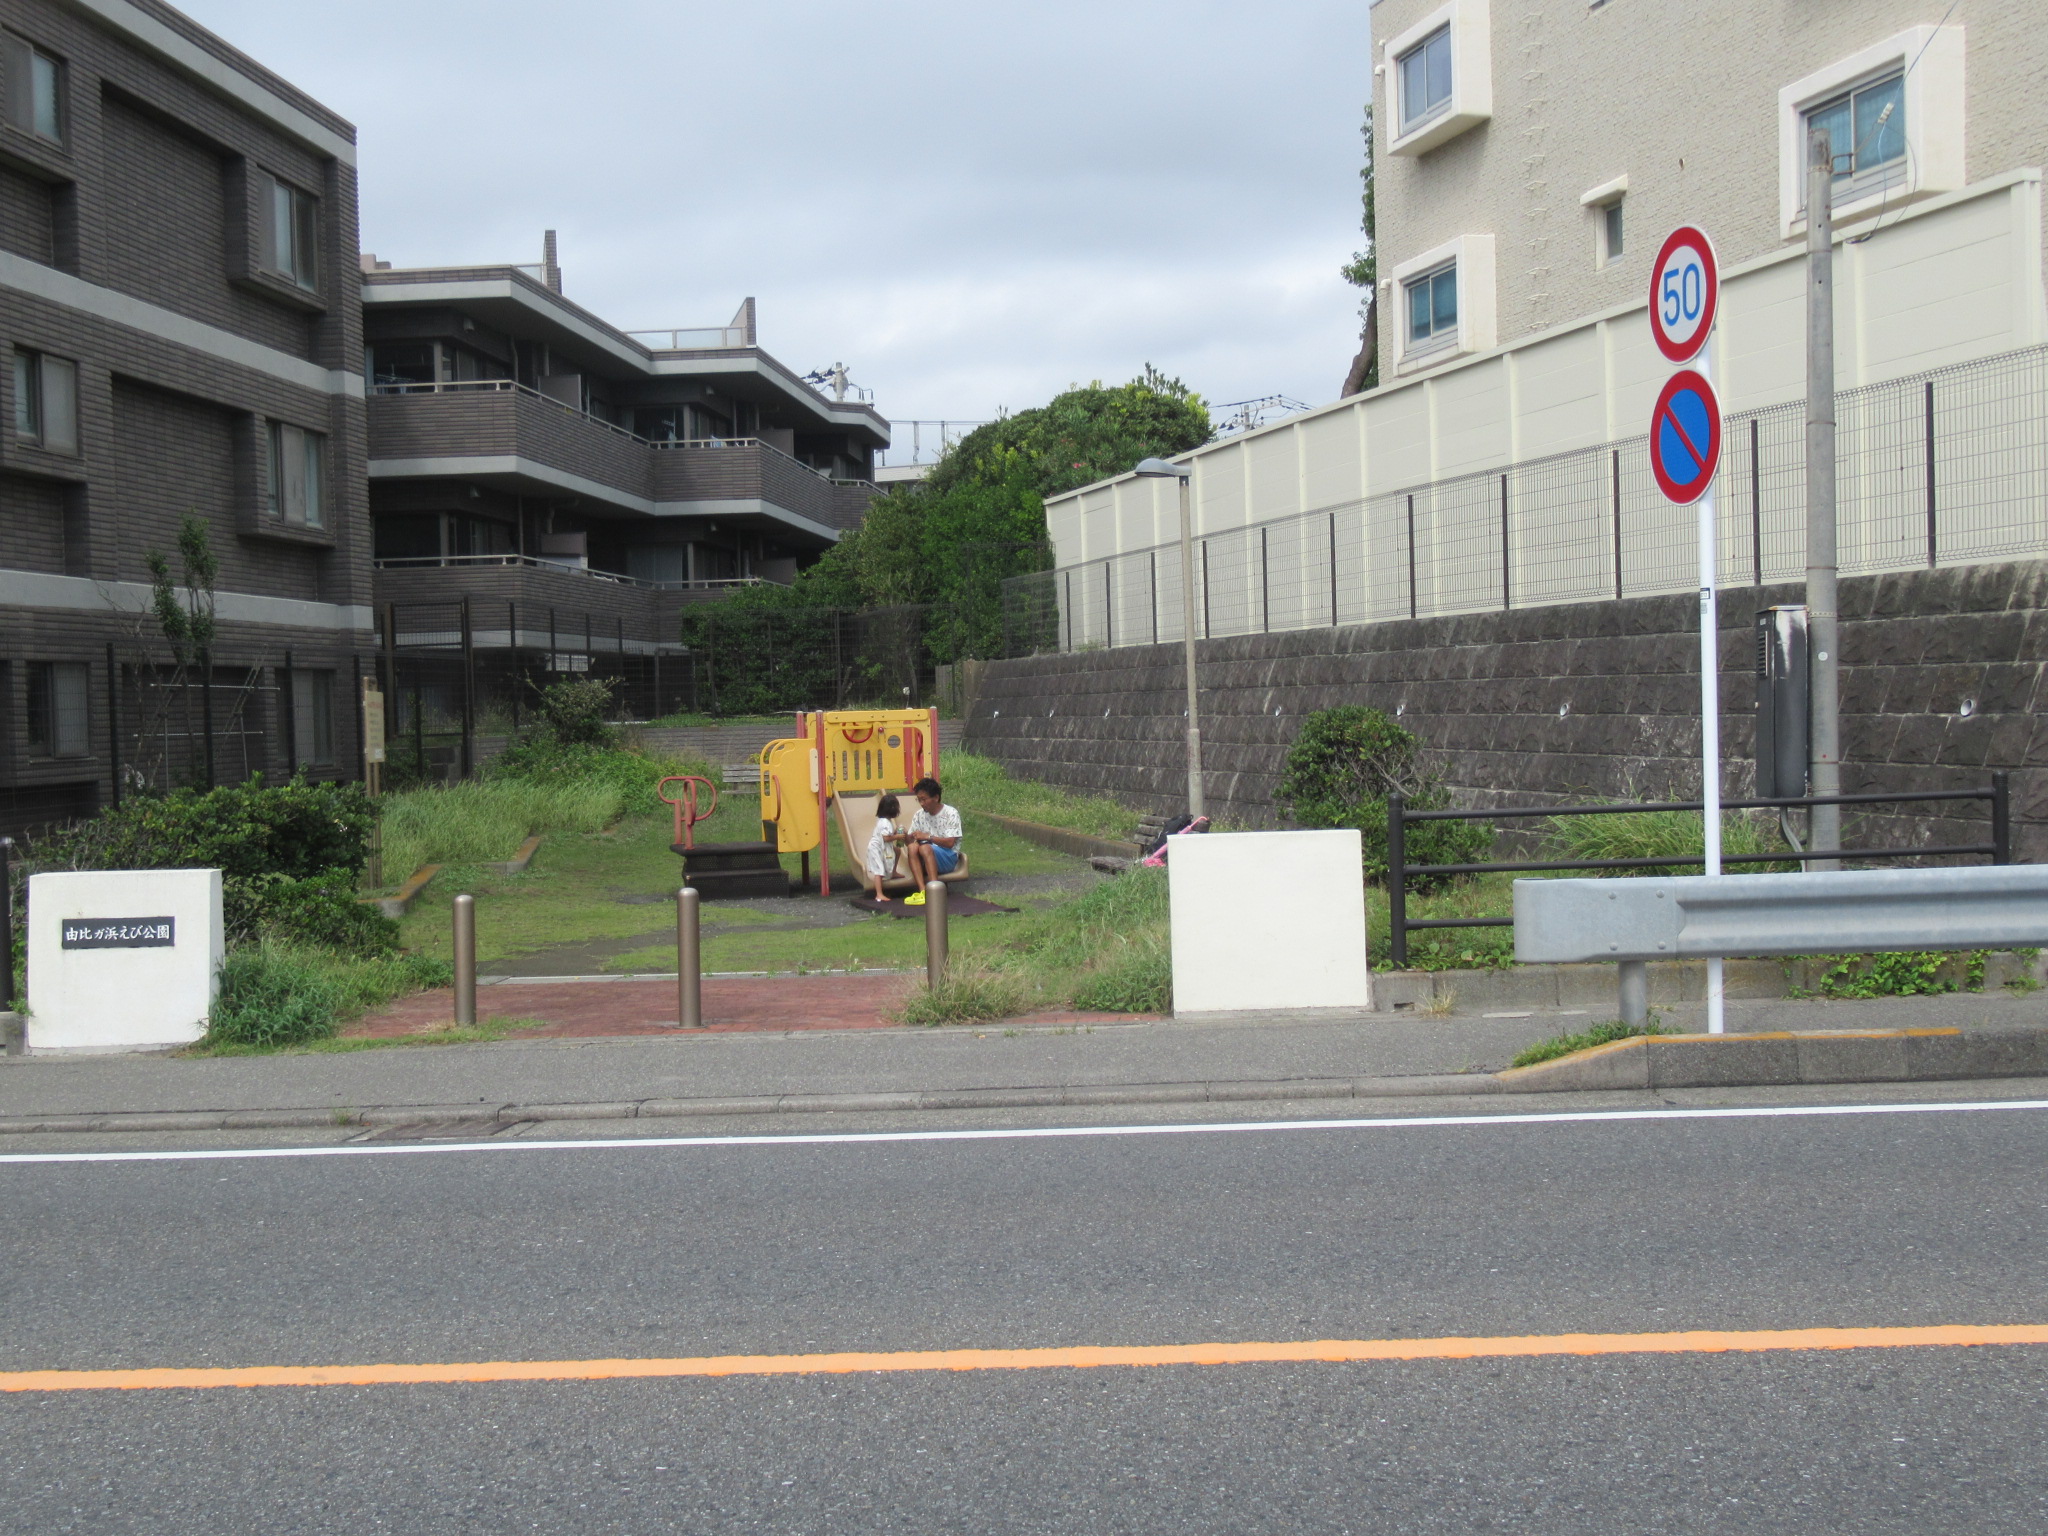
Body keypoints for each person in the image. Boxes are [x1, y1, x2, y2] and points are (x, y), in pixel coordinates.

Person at [901, 777, 962, 905]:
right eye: (919, 800)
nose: (922, 803)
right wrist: (905, 836)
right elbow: (910, 842)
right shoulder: (919, 815)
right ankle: (923, 890)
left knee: (925, 847)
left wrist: (928, 837)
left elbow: (950, 843)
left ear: (936, 797)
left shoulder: (951, 813)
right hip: (926, 855)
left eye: (924, 799)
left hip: (947, 856)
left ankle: (934, 892)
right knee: (912, 847)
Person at [865, 794, 903, 903]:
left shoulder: (885, 821)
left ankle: (894, 872)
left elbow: (888, 834)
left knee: (897, 850)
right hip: (876, 848)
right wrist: (897, 837)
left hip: (883, 847)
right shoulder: (885, 822)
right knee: (879, 870)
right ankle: (879, 894)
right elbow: (886, 838)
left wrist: (896, 832)